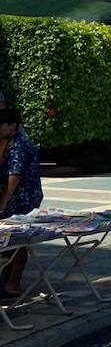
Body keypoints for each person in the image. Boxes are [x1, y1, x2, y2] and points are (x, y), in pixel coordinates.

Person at [0, 107, 43, 296]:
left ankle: (12, 283)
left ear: (12, 126)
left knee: (18, 240)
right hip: (13, 198)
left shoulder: (20, 145)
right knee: (10, 242)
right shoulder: (8, 142)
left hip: (22, 198)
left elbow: (14, 177)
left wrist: (2, 203)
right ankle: (7, 280)